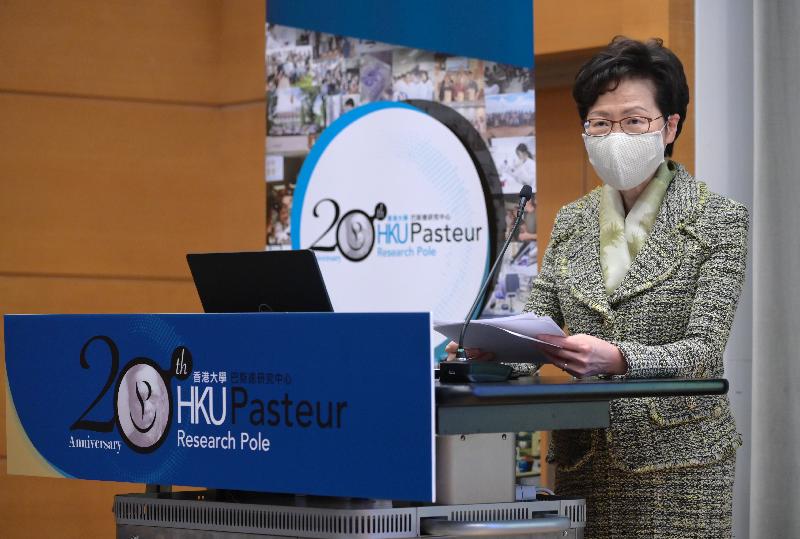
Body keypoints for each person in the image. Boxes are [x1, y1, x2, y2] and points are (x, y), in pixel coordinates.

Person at [446, 37, 747, 538]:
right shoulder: (572, 221)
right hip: (582, 457)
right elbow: (535, 330)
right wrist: (486, 353)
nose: (615, 135)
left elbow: (703, 349)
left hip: (679, 466)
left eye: (633, 120)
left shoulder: (718, 219)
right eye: (601, 122)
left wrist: (619, 359)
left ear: (670, 125)